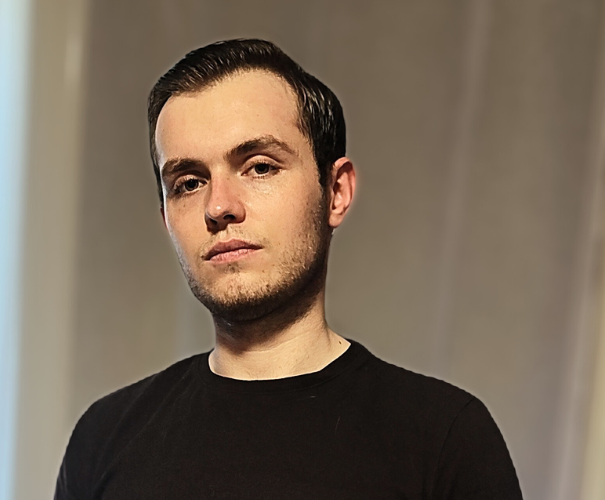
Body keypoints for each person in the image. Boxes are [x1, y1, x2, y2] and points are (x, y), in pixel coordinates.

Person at [55, 38, 522, 499]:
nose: (218, 206)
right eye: (189, 183)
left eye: (259, 167)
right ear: (166, 219)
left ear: (335, 192)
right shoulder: (103, 438)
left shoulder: (444, 440)